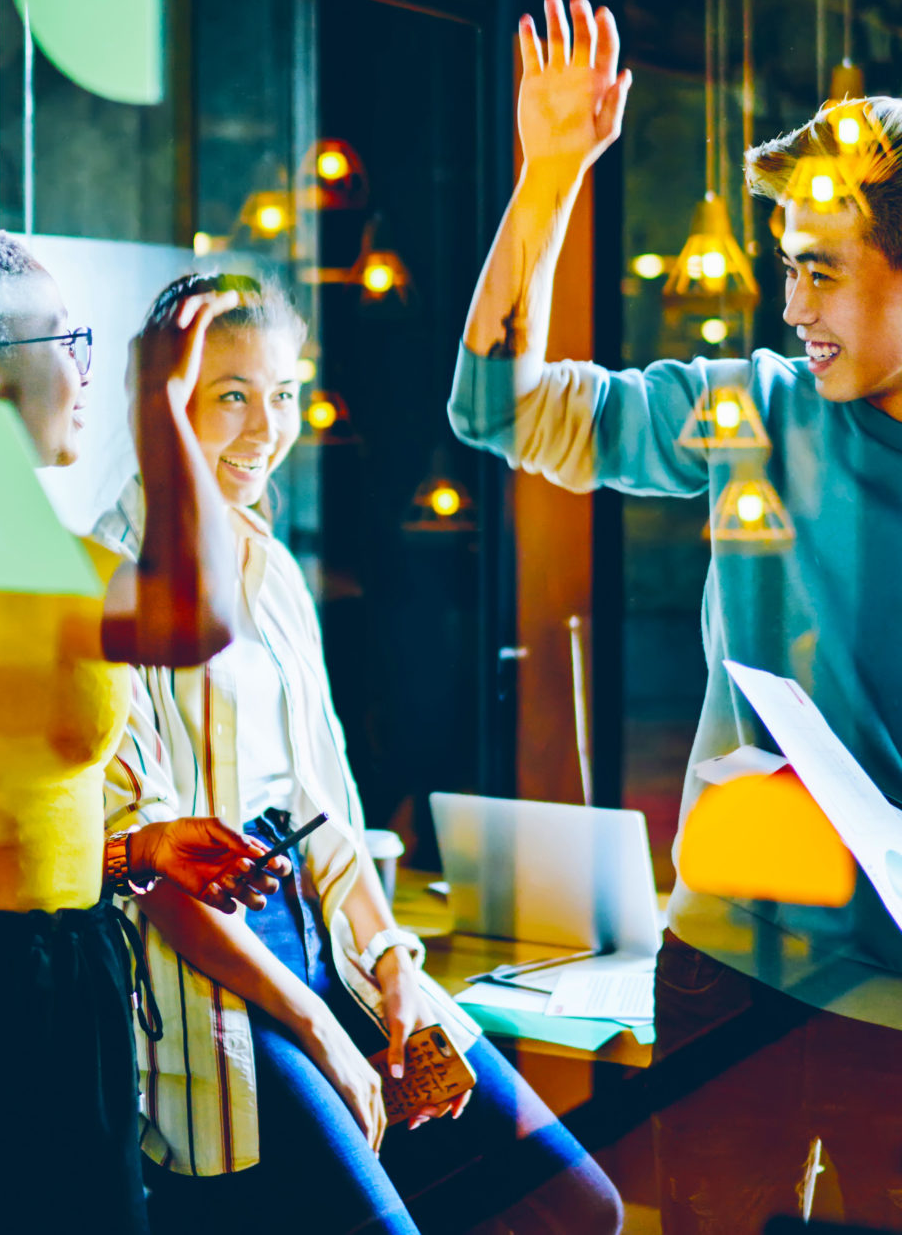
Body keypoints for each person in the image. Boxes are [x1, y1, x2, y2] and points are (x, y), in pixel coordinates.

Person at [450, 0, 902, 1235]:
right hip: (722, 979)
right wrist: (549, 175)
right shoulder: (755, 415)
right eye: (787, 266)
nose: (791, 305)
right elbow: (498, 409)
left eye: (820, 272)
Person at [98, 270, 623, 1235]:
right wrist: (319, 1033)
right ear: (166, 403)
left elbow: (326, 805)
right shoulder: (107, 581)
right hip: (231, 1002)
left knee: (579, 1208)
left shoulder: (274, 570)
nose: (267, 428)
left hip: (338, 953)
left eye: (284, 393)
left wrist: (391, 971)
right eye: (230, 397)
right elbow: (157, 878)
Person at [0, 228, 288, 1235]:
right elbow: (195, 617)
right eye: (71, 340)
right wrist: (161, 406)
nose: (90, 369)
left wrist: (130, 848)